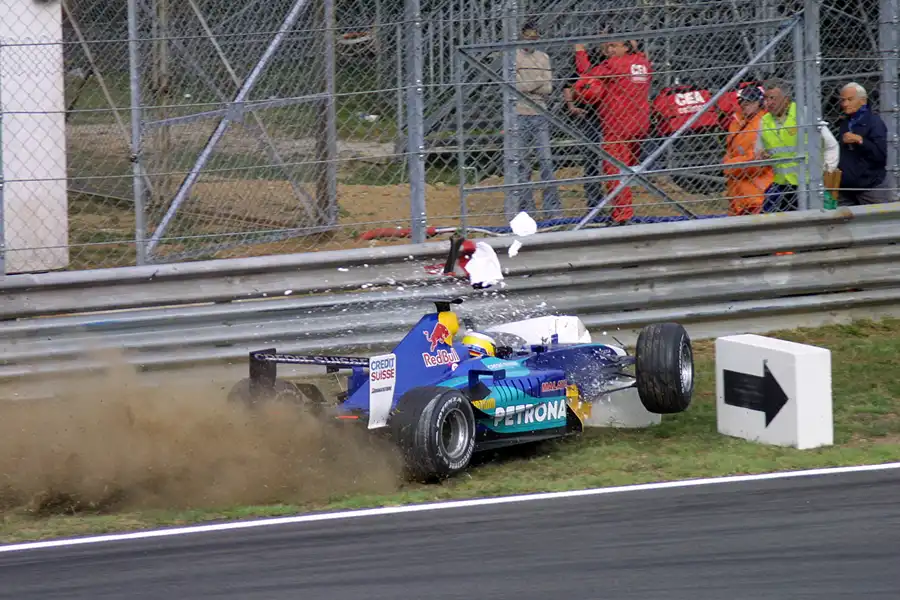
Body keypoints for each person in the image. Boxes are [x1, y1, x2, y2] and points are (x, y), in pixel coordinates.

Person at [573, 37, 652, 224]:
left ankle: (622, 215)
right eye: (608, 46)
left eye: (614, 45)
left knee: (614, 172)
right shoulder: (643, 63)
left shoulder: (614, 64)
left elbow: (587, 75)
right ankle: (625, 210)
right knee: (627, 171)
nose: (609, 49)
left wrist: (580, 52)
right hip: (640, 124)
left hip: (618, 127)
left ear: (625, 47)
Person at [754, 78, 839, 212]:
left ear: (786, 99)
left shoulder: (804, 114)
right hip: (781, 184)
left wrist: (828, 170)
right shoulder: (764, 121)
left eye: (773, 98)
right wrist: (762, 156)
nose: (768, 103)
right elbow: (758, 151)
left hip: (808, 183)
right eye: (766, 98)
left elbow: (831, 144)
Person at [513, 22, 561, 220]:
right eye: (528, 37)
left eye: (534, 37)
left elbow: (548, 87)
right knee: (522, 163)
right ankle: (526, 210)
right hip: (519, 112)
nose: (531, 40)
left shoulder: (543, 57)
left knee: (546, 162)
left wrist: (529, 84)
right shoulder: (513, 56)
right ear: (521, 37)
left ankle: (552, 210)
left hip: (540, 111)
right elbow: (515, 86)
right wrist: (537, 81)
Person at [835, 81, 893, 205]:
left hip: (870, 187)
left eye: (850, 99)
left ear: (863, 100)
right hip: (846, 188)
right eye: (843, 100)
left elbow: (881, 156)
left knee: (879, 221)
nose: (845, 104)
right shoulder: (845, 123)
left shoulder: (874, 122)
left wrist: (860, 140)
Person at [560, 46, 604, 209]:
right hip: (590, 116)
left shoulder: (613, 62)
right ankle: (594, 202)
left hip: (610, 116)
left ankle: (613, 200)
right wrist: (571, 106)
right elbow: (567, 84)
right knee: (592, 160)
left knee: (609, 160)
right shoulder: (589, 59)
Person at [722, 85, 774, 215]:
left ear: (761, 103)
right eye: (743, 100)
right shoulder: (736, 122)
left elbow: (758, 161)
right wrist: (732, 164)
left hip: (758, 194)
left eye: (751, 101)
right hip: (737, 195)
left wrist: (730, 166)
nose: (745, 104)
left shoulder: (766, 123)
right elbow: (729, 152)